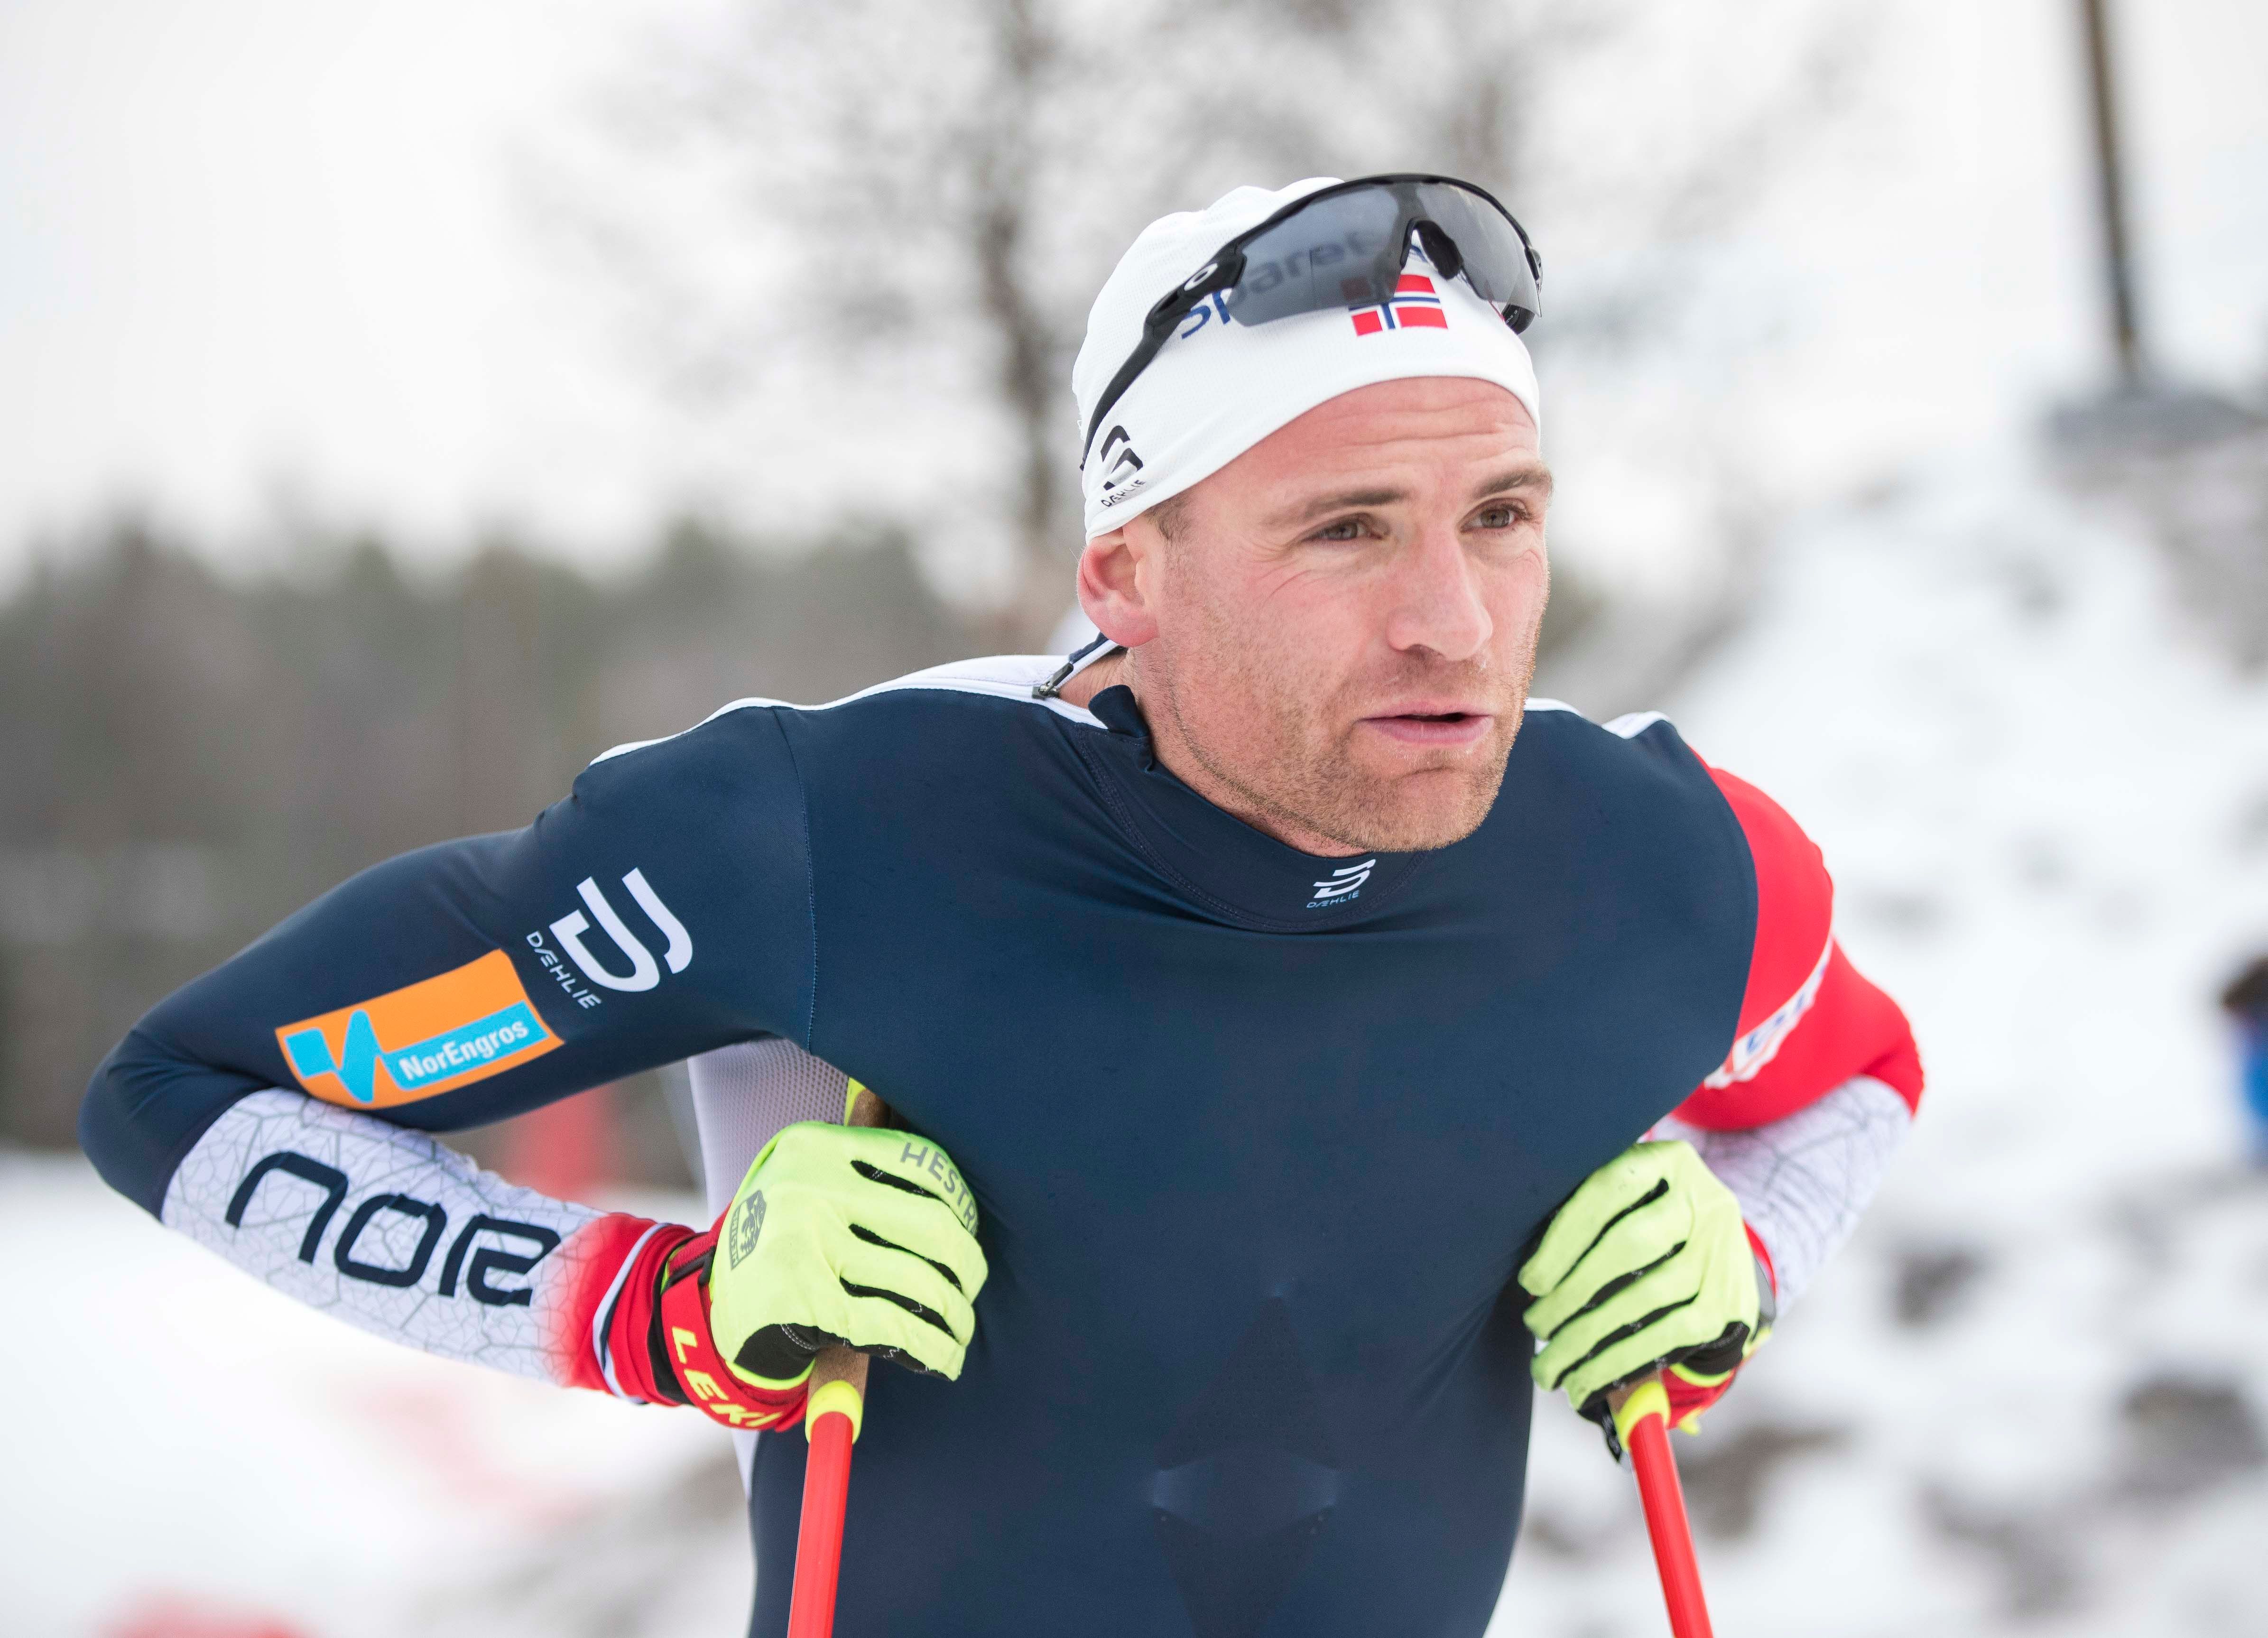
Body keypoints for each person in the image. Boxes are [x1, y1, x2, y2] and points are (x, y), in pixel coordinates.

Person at [82, 176, 1922, 1638]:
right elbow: (187, 1100)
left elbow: (1857, 1080)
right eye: (1347, 528)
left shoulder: (1671, 869)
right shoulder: (819, 836)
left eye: (1501, 515)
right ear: (1127, 576)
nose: (1453, 619)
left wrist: (1743, 1250)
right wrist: (663, 1310)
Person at [2221, 954, 2268, 1161]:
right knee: (2259, 1095)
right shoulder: (2250, 983)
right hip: (2257, 1049)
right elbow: (2227, 1002)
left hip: (2256, 1049)